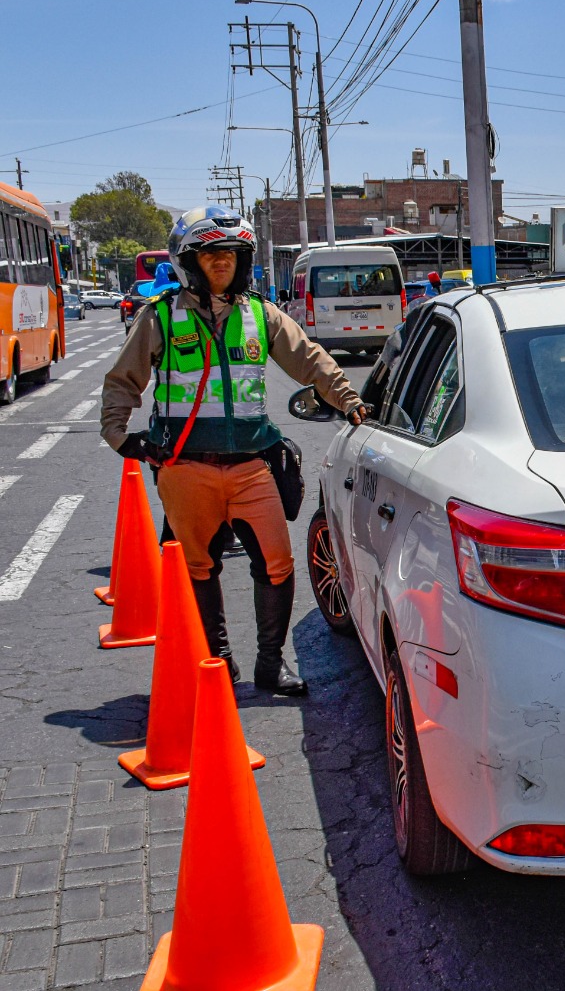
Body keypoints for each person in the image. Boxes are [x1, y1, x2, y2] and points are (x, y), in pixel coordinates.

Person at [101, 205, 367, 696]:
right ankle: (217, 662)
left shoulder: (261, 315)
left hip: (251, 466)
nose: (222, 261)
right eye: (210, 254)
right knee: (198, 569)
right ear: (190, 261)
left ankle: (271, 664)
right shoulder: (160, 317)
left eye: (232, 254)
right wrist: (121, 437)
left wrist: (350, 401)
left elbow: (310, 361)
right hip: (185, 468)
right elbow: (122, 380)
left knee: (277, 563)